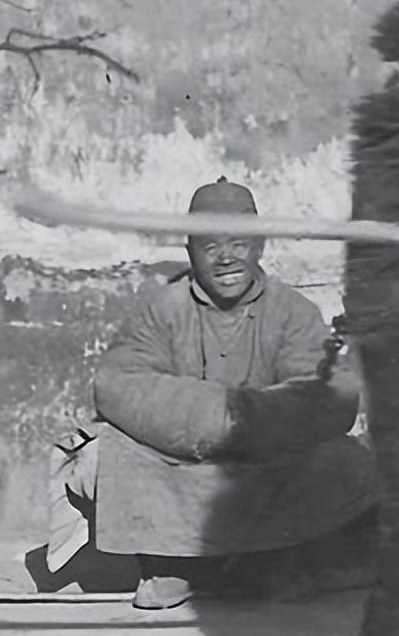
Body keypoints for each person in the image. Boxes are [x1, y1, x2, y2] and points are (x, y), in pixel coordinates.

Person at [24, 177, 378, 608]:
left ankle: (278, 562)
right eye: (210, 247)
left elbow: (327, 392)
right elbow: (119, 382)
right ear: (190, 252)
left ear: (260, 245)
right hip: (180, 460)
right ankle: (175, 567)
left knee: (345, 459)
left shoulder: (292, 311)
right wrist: (211, 421)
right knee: (100, 455)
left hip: (263, 460)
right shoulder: (164, 309)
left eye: (239, 244)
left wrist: (249, 422)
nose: (226, 258)